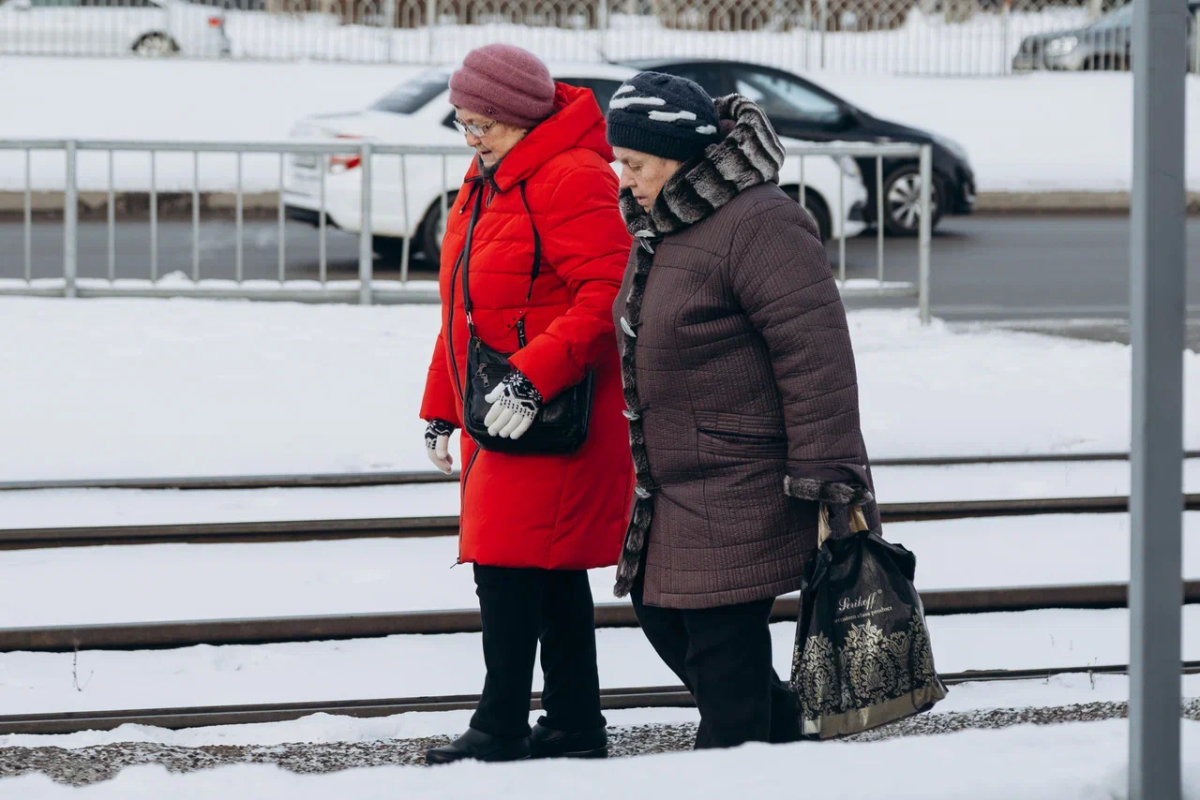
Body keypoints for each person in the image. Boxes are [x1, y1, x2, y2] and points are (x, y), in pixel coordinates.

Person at [605, 72, 882, 749]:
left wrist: (826, 474)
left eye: (634, 162)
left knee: (723, 675)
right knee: (665, 617)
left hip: (743, 479)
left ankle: (737, 771)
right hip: (677, 485)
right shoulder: (667, 221)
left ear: (677, 156)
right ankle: (787, 738)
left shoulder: (760, 222)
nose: (622, 176)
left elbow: (815, 353)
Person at [419, 44, 635, 764]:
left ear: (522, 117)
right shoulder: (491, 175)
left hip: (552, 413)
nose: (471, 138)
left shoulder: (572, 177)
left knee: (510, 570)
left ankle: (501, 725)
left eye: (483, 124)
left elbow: (608, 296)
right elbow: (467, 309)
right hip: (502, 411)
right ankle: (574, 723)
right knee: (542, 572)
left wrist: (530, 377)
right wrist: (442, 402)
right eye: (463, 123)